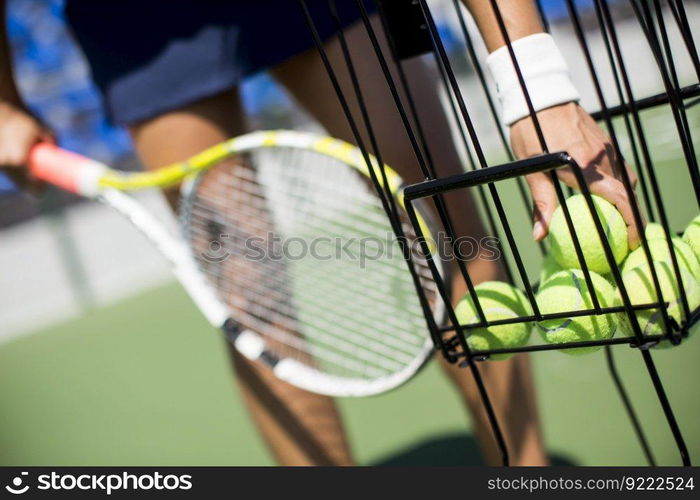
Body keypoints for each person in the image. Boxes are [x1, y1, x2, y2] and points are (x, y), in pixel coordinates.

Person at [0, 0, 640, 466]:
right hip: (143, 19)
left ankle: (523, 473)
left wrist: (538, 89)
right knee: (248, 290)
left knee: (446, 228)